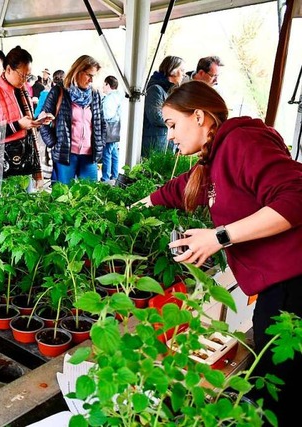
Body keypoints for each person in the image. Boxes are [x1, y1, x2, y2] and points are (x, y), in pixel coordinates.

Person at [140, 80, 302, 426]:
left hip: (294, 285)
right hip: (280, 283)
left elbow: (295, 197)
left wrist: (220, 236)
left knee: (277, 391)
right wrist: (143, 203)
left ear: (198, 116)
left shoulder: (242, 141)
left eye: (172, 125)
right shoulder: (215, 157)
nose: (169, 135)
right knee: (268, 377)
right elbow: (187, 187)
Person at [0, 45, 53, 188]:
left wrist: (38, 120)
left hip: (26, 164)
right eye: (22, 75)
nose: (25, 80)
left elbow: (26, 123)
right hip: (3, 168)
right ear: (8, 69)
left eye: (28, 76)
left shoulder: (23, 91)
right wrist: (18, 125)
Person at [39, 55, 105, 184]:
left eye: (94, 76)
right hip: (66, 156)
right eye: (89, 75)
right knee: (63, 198)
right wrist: (53, 143)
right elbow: (43, 122)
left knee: (90, 198)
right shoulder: (58, 92)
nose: (91, 80)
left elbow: (101, 123)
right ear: (78, 71)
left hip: (89, 156)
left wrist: (100, 144)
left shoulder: (95, 95)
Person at [142, 55, 184, 158]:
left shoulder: (169, 91)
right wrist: (178, 121)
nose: (183, 74)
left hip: (164, 145)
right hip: (155, 146)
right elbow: (156, 117)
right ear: (172, 71)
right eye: (182, 70)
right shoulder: (155, 89)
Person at [101, 75, 123, 182]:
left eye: (104, 85)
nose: (103, 88)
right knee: (114, 153)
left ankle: (105, 177)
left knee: (106, 153)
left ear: (107, 85)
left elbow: (108, 114)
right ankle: (114, 175)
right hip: (116, 128)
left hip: (109, 127)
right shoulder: (119, 96)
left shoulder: (110, 98)